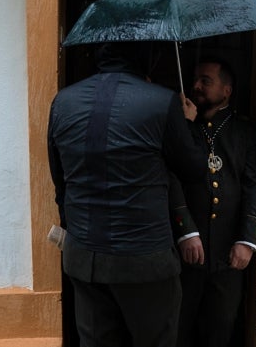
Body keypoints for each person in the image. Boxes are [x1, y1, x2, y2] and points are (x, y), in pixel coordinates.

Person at [48, 42, 206, 347]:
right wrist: (187, 124)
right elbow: (194, 171)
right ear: (145, 56)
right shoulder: (162, 101)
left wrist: (77, 232)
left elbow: (60, 179)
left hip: (84, 257)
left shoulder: (63, 101)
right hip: (145, 260)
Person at [170, 57, 256, 347]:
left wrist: (248, 240)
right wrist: (185, 229)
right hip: (186, 256)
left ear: (226, 90)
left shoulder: (244, 133)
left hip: (228, 256)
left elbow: (253, 186)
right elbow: (172, 177)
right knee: (180, 329)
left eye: (206, 81)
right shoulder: (183, 126)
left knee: (221, 330)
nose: (196, 86)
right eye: (195, 79)